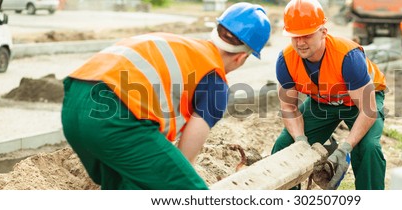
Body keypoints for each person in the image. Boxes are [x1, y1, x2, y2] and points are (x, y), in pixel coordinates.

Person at [60, 2, 271, 190]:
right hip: (115, 119)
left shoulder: (182, 47)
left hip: (73, 104)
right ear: (242, 56)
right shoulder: (216, 83)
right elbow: (184, 160)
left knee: (126, 187)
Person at [271, 0, 387, 190]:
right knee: (285, 145)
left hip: (360, 104)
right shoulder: (286, 60)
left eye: (306, 35)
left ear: (323, 32)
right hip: (322, 102)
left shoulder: (347, 56)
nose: (300, 42)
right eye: (294, 36)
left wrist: (345, 148)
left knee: (368, 149)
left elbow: (368, 109)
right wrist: (300, 142)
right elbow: (289, 107)